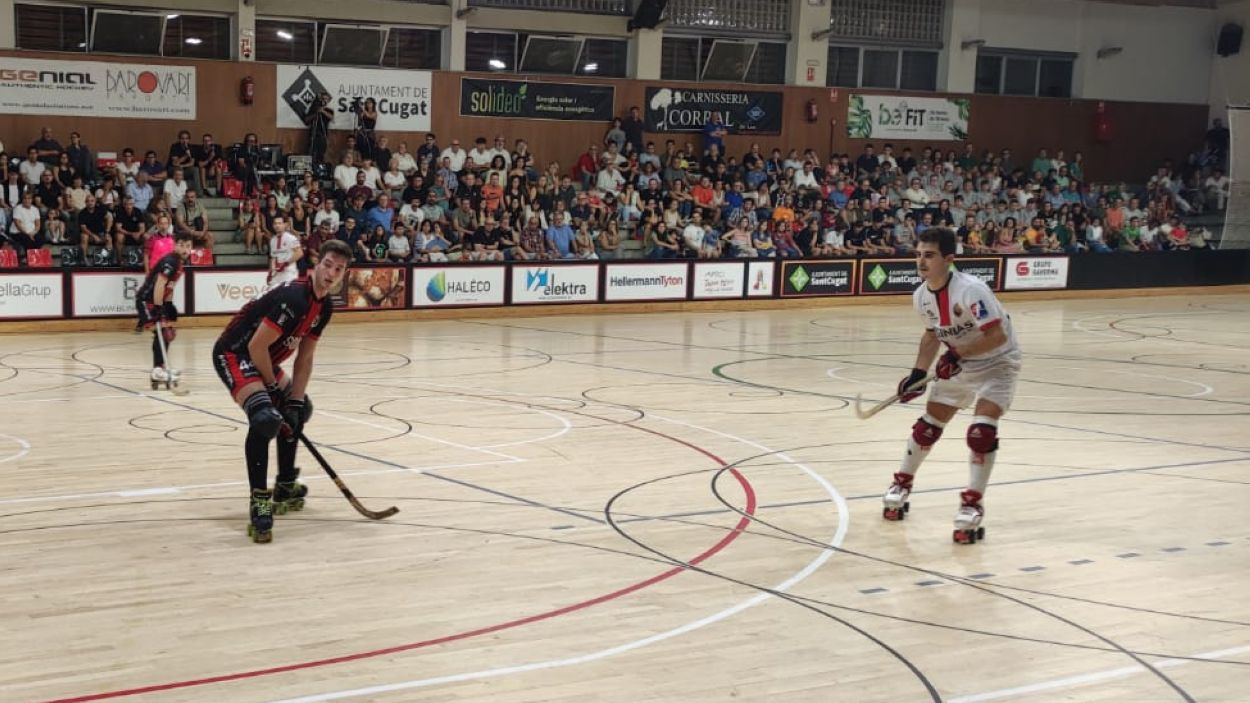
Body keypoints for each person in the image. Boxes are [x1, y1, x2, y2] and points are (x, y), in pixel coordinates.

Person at [883, 227, 1021, 545]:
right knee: (928, 426)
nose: (921, 261)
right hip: (961, 361)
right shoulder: (920, 296)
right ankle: (901, 484)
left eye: (929, 255)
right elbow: (932, 335)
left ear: (949, 259)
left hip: (998, 363)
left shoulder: (971, 290)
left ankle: (972, 505)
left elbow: (997, 336)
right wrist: (918, 373)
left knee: (981, 433)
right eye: (918, 254)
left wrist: (958, 354)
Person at [212, 239, 352, 543]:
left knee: (298, 411)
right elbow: (255, 346)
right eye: (327, 265)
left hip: (263, 359)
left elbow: (306, 357)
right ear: (316, 263)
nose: (331, 273)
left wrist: (296, 402)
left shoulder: (323, 306)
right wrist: (274, 389)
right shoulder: (295, 297)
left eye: (338, 269)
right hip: (236, 354)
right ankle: (259, 501)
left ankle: (286, 483)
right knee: (265, 418)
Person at [136, 231, 194, 387]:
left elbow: (170, 286)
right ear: (175, 245)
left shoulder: (179, 263)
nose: (185, 249)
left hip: (156, 300)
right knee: (162, 332)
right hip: (146, 300)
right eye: (181, 245)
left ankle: (159, 368)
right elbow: (160, 284)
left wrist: (168, 304)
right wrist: (158, 307)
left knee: (167, 333)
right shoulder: (171, 261)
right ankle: (158, 370)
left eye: (188, 246)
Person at [264, 214, 303, 293]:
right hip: (276, 274)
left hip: (289, 273)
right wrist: (270, 273)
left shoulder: (291, 238)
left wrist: (285, 264)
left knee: (287, 297)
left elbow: (299, 253)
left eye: (279, 223)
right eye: (275, 223)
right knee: (271, 296)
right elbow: (273, 258)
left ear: (285, 225)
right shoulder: (272, 240)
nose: (277, 225)